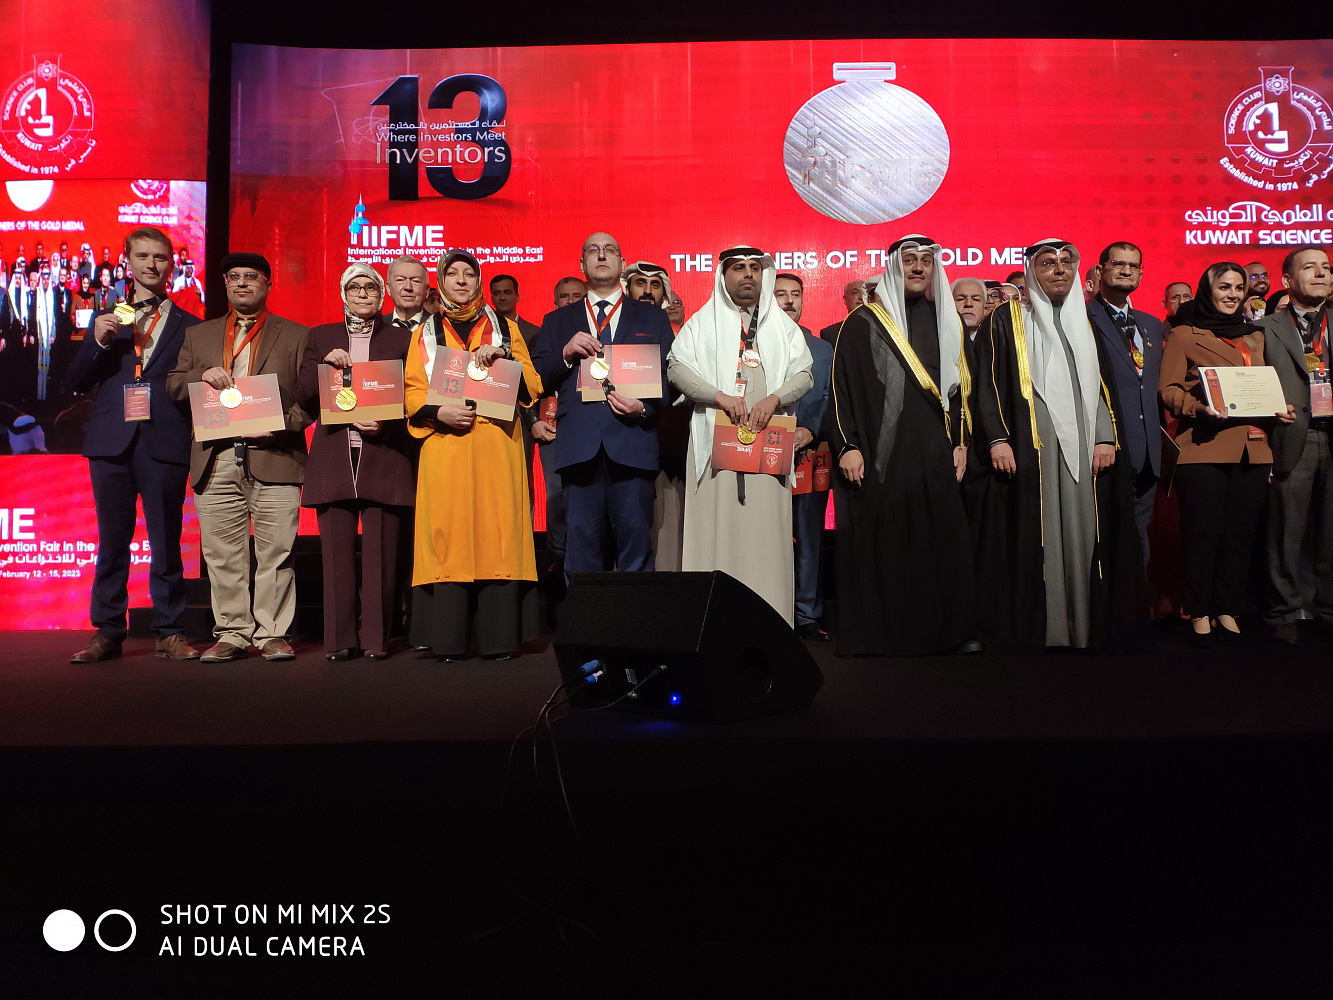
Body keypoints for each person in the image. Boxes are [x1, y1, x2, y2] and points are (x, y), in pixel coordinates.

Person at [971, 238, 1146, 651]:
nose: (1060, 269)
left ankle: (1082, 628)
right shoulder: (1008, 320)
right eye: (1049, 262)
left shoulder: (1084, 322)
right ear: (1032, 271)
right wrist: (997, 438)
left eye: (1067, 262)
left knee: (1083, 531)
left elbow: (1100, 387)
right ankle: (1049, 628)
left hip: (1085, 446)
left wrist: (1104, 436)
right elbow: (987, 384)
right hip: (1032, 447)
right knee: (1042, 532)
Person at [829, 237, 976, 654]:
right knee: (887, 542)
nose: (918, 268)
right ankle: (885, 636)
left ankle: (945, 634)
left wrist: (962, 443)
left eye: (926, 261)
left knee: (938, 540)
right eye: (909, 260)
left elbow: (962, 392)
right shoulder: (863, 322)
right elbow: (841, 391)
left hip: (936, 452)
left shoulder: (946, 320)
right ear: (895, 266)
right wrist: (846, 446)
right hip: (881, 455)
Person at [166, 252, 311, 662]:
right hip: (215, 457)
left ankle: (272, 633)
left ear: (268, 284)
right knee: (222, 555)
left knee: (276, 553)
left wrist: (280, 425)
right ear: (226, 284)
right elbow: (174, 386)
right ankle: (232, 632)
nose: (242, 283)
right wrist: (200, 376)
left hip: (275, 453)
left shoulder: (298, 334)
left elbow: (311, 399)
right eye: (234, 277)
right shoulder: (199, 334)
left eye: (252, 276)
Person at [66, 226, 201, 663]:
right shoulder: (107, 319)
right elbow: (74, 381)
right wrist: (98, 341)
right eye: (142, 256)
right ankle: (107, 631)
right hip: (111, 442)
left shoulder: (192, 327)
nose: (151, 264)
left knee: (166, 541)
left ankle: (170, 631)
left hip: (165, 439)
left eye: (159, 257)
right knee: (112, 540)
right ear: (128, 262)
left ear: (171, 265)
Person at [405, 250, 542, 659]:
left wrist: (505, 358)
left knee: (498, 533)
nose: (462, 281)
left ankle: (499, 638)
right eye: (453, 274)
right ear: (441, 282)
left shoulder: (504, 328)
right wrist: (439, 412)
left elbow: (533, 384)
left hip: (497, 444)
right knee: (448, 536)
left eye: (469, 274)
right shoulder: (425, 332)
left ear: (478, 281)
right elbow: (412, 391)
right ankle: (449, 638)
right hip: (445, 445)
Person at [667, 246, 812, 624]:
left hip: (768, 439)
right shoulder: (702, 323)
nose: (748, 274)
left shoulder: (782, 325)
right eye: (738, 268)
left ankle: (770, 622)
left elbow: (805, 374)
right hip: (715, 439)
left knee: (766, 533)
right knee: (716, 529)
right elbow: (677, 369)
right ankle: (712, 622)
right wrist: (719, 397)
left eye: (754, 268)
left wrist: (774, 398)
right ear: (723, 275)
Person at [1161, 262, 1293, 643]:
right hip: (1203, 446)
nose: (1232, 294)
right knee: (1202, 533)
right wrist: (1199, 408)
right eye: (1224, 287)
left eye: (1238, 287)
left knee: (1240, 535)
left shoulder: (1255, 336)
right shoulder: (1184, 334)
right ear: (1208, 290)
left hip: (1254, 449)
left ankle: (1227, 608)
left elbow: (1262, 385)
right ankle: (1199, 610)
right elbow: (1168, 390)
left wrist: (1279, 409)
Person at [531, 234, 674, 580]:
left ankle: (635, 617)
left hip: (633, 442)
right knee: (580, 550)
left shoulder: (651, 318)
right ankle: (584, 617)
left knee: (636, 547)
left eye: (609, 250)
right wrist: (565, 355)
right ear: (582, 264)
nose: (601, 255)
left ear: (622, 265)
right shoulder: (557, 320)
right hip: (579, 448)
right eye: (592, 250)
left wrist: (644, 408)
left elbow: (671, 378)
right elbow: (537, 379)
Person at [297, 264, 416, 661]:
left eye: (371, 287)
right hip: (334, 456)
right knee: (336, 558)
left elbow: (413, 396)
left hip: (384, 455)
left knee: (382, 556)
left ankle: (376, 640)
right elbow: (303, 395)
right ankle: (339, 640)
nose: (363, 293)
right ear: (343, 294)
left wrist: (385, 423)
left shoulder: (401, 339)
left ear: (382, 295)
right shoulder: (321, 336)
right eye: (354, 287)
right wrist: (324, 367)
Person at [1260, 247, 1333, 644]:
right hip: (1292, 436)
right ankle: (1283, 612)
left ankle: (1328, 610)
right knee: (1285, 531)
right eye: (1310, 267)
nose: (1321, 273)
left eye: (1326, 267)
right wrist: (1267, 409)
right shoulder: (1264, 328)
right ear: (1287, 280)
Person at [1088, 242, 1165, 563]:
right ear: (1100, 270)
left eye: (1133, 266)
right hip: (1105, 450)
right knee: (1105, 539)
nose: (1126, 271)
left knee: (1139, 535)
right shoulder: (1082, 318)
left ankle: (1137, 596)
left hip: (1148, 453)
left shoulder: (1151, 325)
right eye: (1118, 264)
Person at [776, 271, 834, 640]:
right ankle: (771, 609)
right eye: (780, 294)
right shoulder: (748, 345)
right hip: (761, 451)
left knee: (809, 537)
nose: (789, 301)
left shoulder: (822, 349)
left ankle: (807, 614)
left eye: (795, 294)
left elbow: (829, 396)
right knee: (768, 536)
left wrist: (810, 429)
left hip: (810, 452)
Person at [488, 273, 541, 353]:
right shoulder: (483, 330)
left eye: (507, 292)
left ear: (517, 297)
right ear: (491, 299)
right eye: (497, 293)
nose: (502, 297)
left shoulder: (535, 332)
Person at [818, 278, 866, 347]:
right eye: (855, 292)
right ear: (845, 299)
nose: (861, 297)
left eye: (864, 293)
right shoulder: (830, 334)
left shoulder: (878, 330)